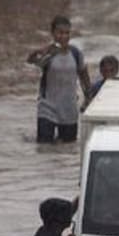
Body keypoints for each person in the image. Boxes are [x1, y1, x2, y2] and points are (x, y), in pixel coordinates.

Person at [26, 15, 91, 143]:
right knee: (44, 148)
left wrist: (88, 99)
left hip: (69, 110)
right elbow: (32, 62)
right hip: (47, 109)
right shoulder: (48, 53)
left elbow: (83, 75)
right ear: (53, 33)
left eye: (67, 33)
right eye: (60, 33)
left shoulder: (76, 54)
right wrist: (37, 52)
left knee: (67, 149)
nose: (64, 36)